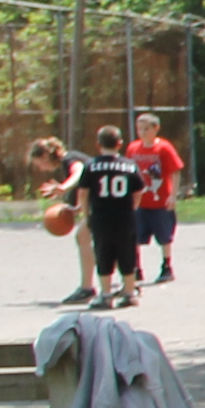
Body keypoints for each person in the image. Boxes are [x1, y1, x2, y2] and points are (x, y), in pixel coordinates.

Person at [77, 126, 146, 310]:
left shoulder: (91, 165)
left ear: (98, 144)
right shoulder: (130, 165)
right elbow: (138, 190)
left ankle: (106, 294)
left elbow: (83, 193)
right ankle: (129, 293)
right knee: (127, 253)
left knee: (103, 252)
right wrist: (132, 208)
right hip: (124, 217)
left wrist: (86, 214)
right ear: (119, 143)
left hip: (101, 217)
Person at [29, 136, 93, 305]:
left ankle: (88, 288)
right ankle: (126, 280)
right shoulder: (72, 158)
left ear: (45, 156)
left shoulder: (70, 159)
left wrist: (64, 187)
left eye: (39, 164)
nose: (40, 168)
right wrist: (78, 207)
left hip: (106, 202)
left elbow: (79, 171)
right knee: (93, 239)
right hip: (105, 200)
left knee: (86, 238)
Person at [127, 111, 186, 285]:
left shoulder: (164, 148)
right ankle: (136, 267)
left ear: (156, 128)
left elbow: (175, 171)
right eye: (139, 129)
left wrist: (173, 195)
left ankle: (166, 266)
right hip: (139, 202)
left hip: (160, 201)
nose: (142, 132)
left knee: (164, 236)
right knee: (135, 235)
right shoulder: (133, 148)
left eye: (146, 129)